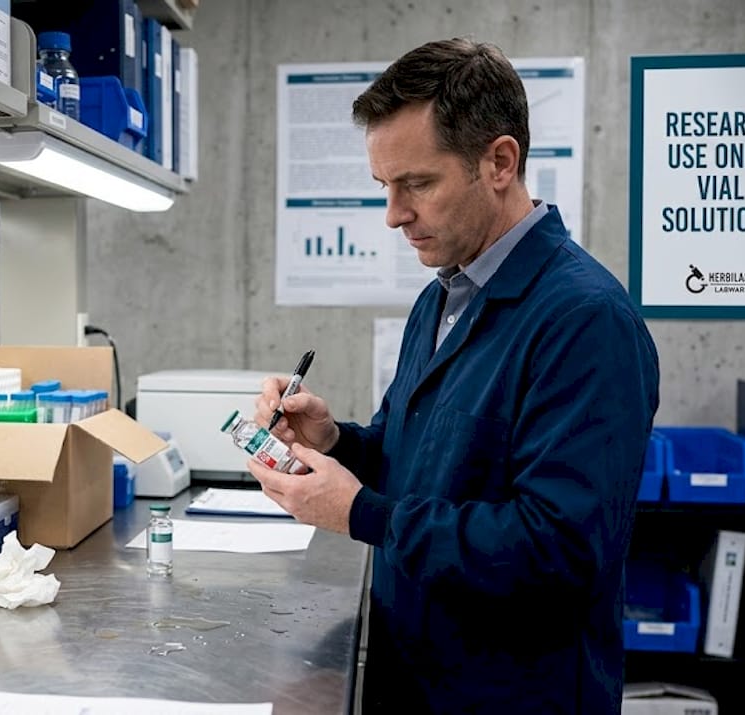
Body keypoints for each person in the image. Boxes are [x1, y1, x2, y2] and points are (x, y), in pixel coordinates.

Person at [248, 39, 660, 713]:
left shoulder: (586, 321)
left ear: (500, 162)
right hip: (418, 674)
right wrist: (337, 443)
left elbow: (560, 550)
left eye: (417, 184)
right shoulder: (441, 297)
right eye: (385, 187)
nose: (394, 214)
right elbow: (416, 462)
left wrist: (362, 513)